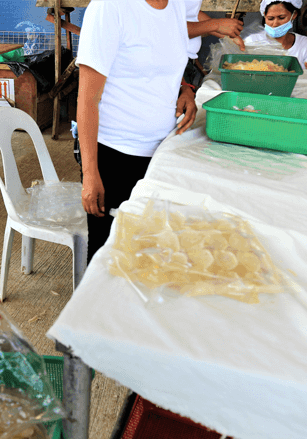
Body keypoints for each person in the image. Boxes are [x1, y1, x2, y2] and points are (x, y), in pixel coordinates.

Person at [76, 0, 197, 262]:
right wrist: (90, 173)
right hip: (116, 156)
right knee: (109, 257)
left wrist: (185, 89)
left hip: (162, 152)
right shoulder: (110, 7)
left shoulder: (175, 5)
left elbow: (165, 60)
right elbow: (87, 100)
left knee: (152, 253)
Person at [185, 1, 246, 91]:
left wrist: (228, 38)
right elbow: (171, 29)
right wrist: (216, 25)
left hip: (187, 63)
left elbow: (192, 14)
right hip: (170, 64)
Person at [245, 0, 307, 70]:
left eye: (281, 18)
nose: (275, 24)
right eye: (270, 18)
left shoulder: (306, 44)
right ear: (264, 15)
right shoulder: (252, 41)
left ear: (294, 15)